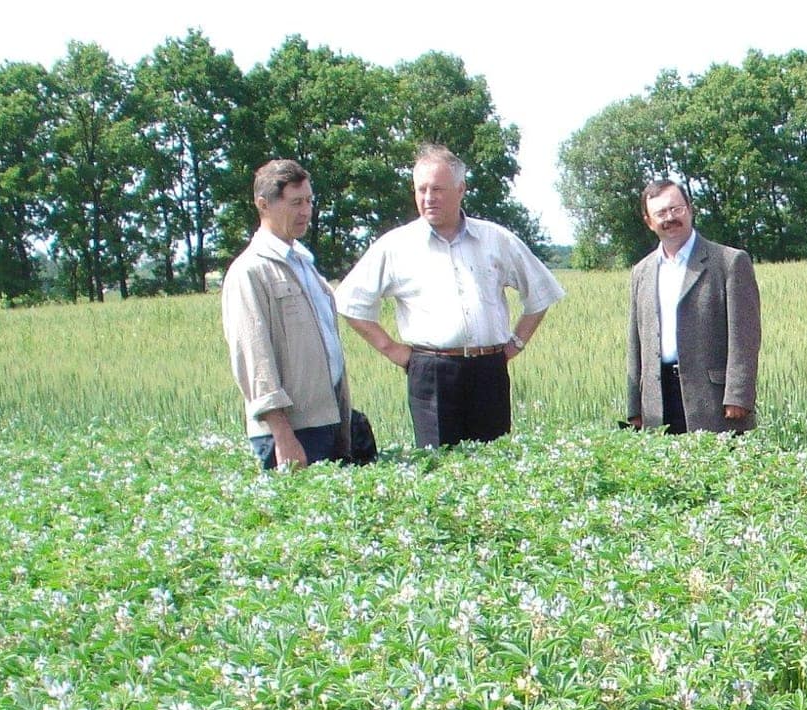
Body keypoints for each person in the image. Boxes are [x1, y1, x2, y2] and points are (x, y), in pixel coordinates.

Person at [338, 145, 563, 450]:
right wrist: (393, 350)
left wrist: (516, 344)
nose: (428, 198)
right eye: (422, 189)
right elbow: (351, 303)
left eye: (438, 189)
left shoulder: (496, 239)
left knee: (495, 465)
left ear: (460, 190)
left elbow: (541, 292)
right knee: (439, 467)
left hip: (489, 371)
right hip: (430, 373)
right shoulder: (396, 246)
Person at [222, 159, 352, 469]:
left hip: (326, 419)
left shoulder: (303, 264)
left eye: (308, 201)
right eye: (295, 202)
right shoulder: (251, 271)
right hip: (291, 431)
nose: (306, 211)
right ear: (263, 205)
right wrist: (282, 434)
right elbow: (254, 360)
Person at [627, 180, 762, 434]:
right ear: (649, 221)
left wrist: (738, 395)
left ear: (689, 208)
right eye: (661, 213)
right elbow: (635, 341)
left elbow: (745, 335)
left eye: (676, 209)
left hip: (714, 401)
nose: (670, 218)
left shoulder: (729, 262)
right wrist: (634, 407)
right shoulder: (640, 271)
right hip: (657, 400)